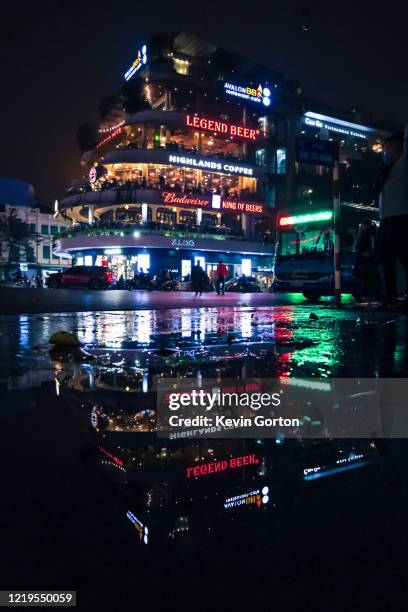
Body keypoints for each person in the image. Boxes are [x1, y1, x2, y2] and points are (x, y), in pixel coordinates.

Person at [378, 128, 408, 304]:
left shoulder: (404, 162)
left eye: (388, 146)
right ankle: (390, 296)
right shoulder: (388, 168)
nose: (386, 150)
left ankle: (393, 295)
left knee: (403, 255)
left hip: (400, 218)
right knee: (387, 259)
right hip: (386, 219)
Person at [353, 219, 379, 302]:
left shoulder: (368, 235)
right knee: (366, 278)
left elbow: (369, 248)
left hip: (365, 261)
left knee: (366, 278)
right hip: (365, 260)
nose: (360, 227)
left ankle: (366, 295)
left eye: (362, 225)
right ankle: (367, 295)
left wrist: (368, 253)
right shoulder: (367, 234)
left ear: (366, 226)